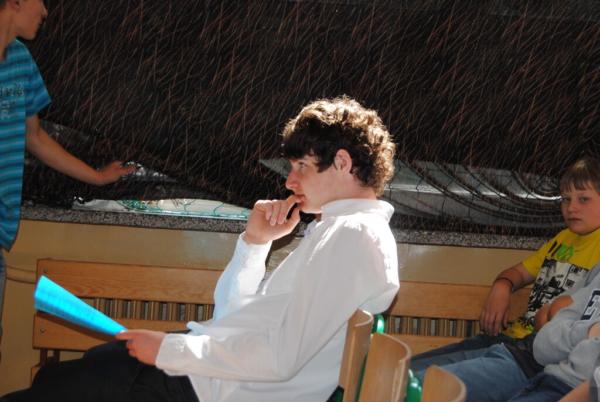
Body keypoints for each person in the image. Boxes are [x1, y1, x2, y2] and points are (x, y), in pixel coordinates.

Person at [2, 96, 400, 402]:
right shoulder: (337, 230)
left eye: (302, 167)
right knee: (63, 378)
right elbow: (232, 316)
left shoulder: (354, 236)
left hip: (205, 388)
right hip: (205, 377)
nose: (289, 181)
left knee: (57, 387)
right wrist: (254, 243)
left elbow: (281, 358)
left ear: (342, 163)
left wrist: (170, 350)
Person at [0, 0, 134, 350]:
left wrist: (97, 177)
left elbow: (34, 137)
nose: (45, 11)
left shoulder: (19, 60)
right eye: (40, 1)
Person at [412, 156, 600, 372]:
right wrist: (502, 285)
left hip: (533, 352)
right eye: (565, 199)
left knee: (424, 376)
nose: (571, 207)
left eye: (583, 199)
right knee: (408, 366)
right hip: (507, 339)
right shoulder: (563, 238)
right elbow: (518, 273)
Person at [430, 262, 600, 402]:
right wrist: (588, 331)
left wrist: (566, 328)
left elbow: (588, 383)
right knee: (421, 381)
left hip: (537, 369)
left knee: (429, 389)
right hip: (526, 356)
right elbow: (543, 334)